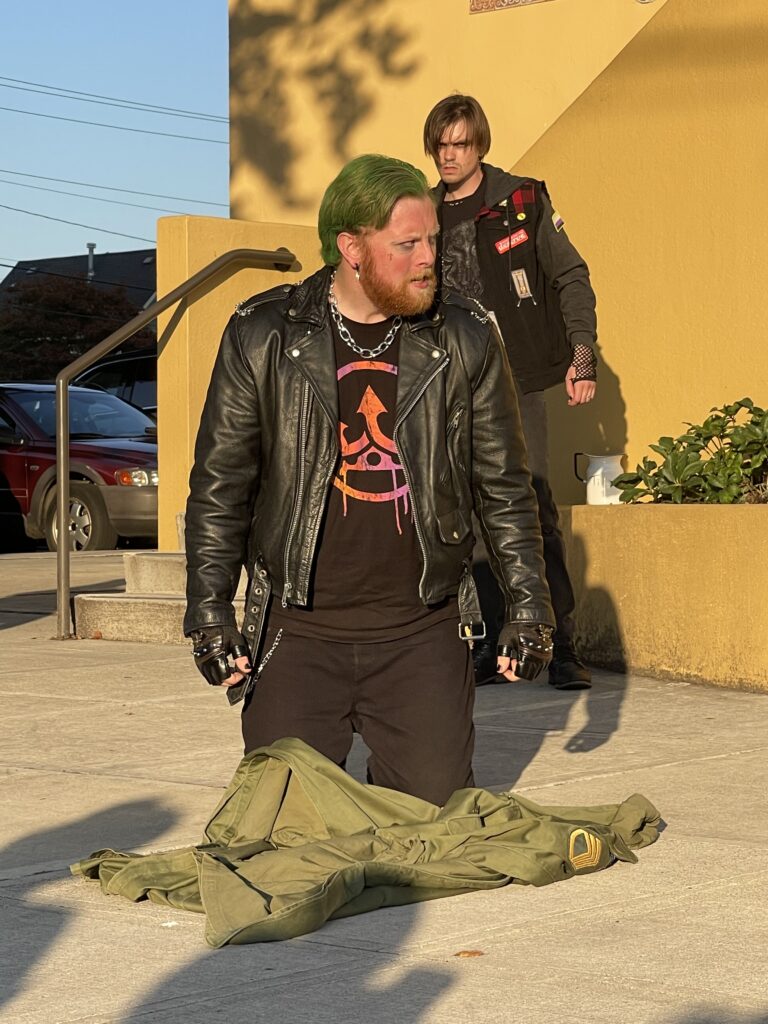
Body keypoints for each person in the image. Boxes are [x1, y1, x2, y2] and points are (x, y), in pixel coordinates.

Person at [183, 154, 554, 807]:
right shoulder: (262, 334)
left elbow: (503, 485)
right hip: (298, 628)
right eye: (407, 244)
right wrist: (210, 614)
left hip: (421, 628)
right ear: (351, 248)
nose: (428, 258)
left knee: (430, 825)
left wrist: (529, 607)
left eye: (432, 239)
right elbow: (221, 485)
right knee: (285, 827)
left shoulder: (465, 335)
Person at [423, 94, 598, 691]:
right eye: (441, 145)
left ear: (480, 145)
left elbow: (571, 275)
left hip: (515, 380)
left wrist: (581, 356)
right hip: (448, 386)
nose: (450, 155)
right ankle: (498, 645)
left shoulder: (520, 201)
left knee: (533, 509)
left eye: (460, 143)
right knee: (469, 516)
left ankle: (561, 645)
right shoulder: (422, 214)